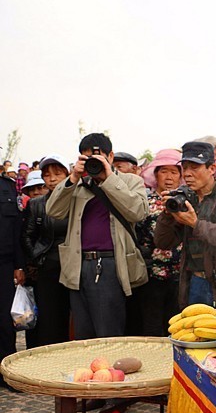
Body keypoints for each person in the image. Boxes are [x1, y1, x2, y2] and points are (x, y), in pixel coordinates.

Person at [45, 133, 148, 339]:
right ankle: (90, 370)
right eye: (86, 159)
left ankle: (109, 370)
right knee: (83, 332)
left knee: (108, 331)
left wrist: (108, 179)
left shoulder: (130, 181)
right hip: (78, 265)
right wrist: (73, 176)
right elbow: (53, 211)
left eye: (98, 158)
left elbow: (138, 212)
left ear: (110, 156)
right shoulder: (78, 184)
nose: (93, 163)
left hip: (111, 264)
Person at [154, 142, 216, 315]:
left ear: (212, 168)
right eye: (185, 167)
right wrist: (167, 214)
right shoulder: (187, 199)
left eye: (194, 167)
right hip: (193, 282)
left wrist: (196, 224)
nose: (187, 174)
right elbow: (163, 242)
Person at [21, 154, 71, 348]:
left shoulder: (77, 200)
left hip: (75, 267)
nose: (52, 178)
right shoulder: (37, 204)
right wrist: (36, 258)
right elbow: (27, 235)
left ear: (67, 174)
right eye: (47, 174)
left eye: (57, 173)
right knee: (49, 319)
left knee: (72, 318)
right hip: (48, 267)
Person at [135, 150, 183, 336]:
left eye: (174, 172)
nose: (169, 177)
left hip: (180, 275)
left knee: (177, 326)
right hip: (151, 275)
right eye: (164, 171)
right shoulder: (145, 201)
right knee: (152, 325)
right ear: (156, 175)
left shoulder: (185, 201)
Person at [0, 165, 25, 389]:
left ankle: (7, 374)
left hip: (4, 263)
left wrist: (19, 265)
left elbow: (16, 230)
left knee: (5, 322)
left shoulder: (8, 187)